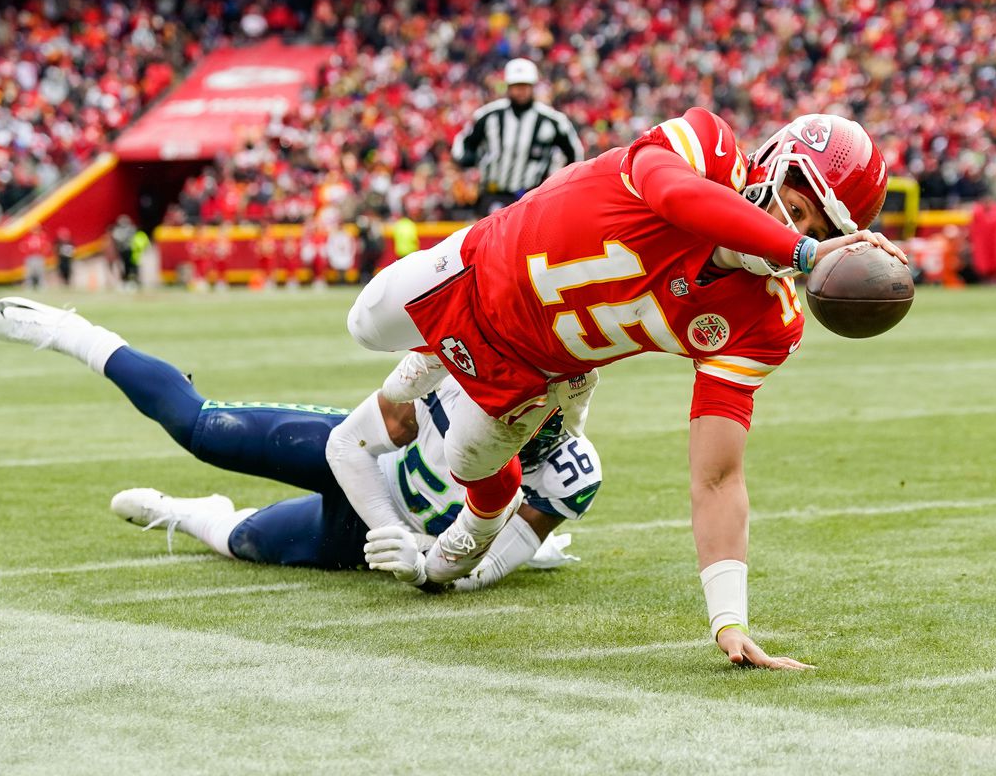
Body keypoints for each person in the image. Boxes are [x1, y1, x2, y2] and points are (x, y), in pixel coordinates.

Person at [347, 108, 905, 669]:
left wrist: (729, 619)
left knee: (471, 470)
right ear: (774, 164)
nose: (798, 233)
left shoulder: (764, 320)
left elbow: (717, 477)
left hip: (528, 370)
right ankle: (431, 361)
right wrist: (803, 253)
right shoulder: (706, 146)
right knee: (364, 323)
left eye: (816, 234)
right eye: (801, 212)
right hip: (475, 269)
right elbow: (674, 194)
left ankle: (444, 561)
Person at [0, 296, 602, 589]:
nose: (515, 420)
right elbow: (348, 449)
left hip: (411, 536)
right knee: (205, 430)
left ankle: (188, 512)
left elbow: (484, 566)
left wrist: (427, 565)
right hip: (370, 476)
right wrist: (388, 523)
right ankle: (68, 331)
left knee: (245, 541)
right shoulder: (444, 371)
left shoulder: (567, 472)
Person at [452, 58, 584, 216]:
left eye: (525, 86)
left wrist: (561, 181)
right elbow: (462, 144)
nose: (521, 91)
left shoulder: (552, 120)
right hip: (495, 192)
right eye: (516, 86)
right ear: (508, 87)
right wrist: (467, 159)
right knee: (493, 237)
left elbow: (574, 153)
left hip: (533, 194)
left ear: (533, 87)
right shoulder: (489, 116)